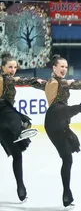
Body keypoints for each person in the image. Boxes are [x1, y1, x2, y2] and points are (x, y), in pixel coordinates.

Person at [44, 54, 81, 208]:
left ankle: (66, 193)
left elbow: (75, 84)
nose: (64, 69)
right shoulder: (54, 81)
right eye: (61, 66)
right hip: (53, 117)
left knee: (67, 159)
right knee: (60, 108)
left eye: (65, 67)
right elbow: (74, 85)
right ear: (54, 68)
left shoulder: (62, 82)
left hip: (61, 123)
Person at [0, 52, 46, 202]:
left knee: (17, 154)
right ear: (2, 67)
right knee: (15, 117)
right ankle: (20, 130)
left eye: (15, 67)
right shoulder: (4, 78)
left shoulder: (9, 79)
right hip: (3, 111)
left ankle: (21, 187)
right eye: (9, 67)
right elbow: (20, 79)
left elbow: (18, 79)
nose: (13, 69)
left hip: (6, 116)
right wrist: (33, 79)